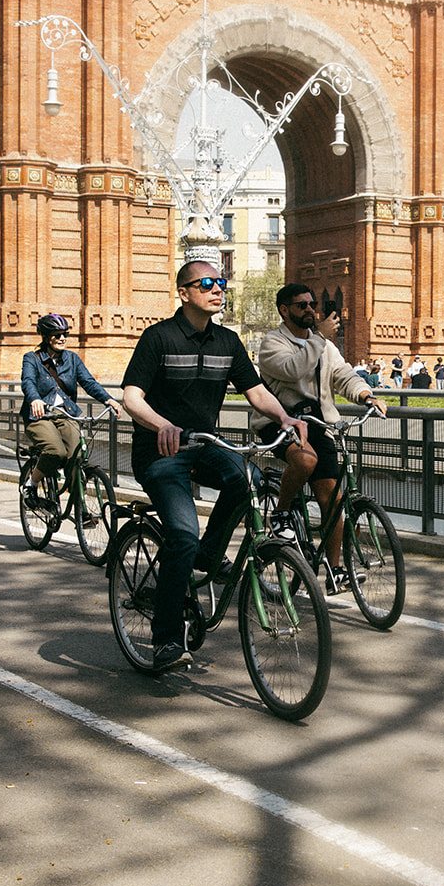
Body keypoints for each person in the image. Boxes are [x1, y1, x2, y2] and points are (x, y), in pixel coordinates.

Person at [121, 261, 306, 674]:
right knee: (182, 533)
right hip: (160, 451)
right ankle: (167, 638)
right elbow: (131, 398)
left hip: (205, 444)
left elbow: (256, 391)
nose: (217, 289)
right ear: (184, 293)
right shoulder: (158, 338)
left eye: (220, 283)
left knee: (248, 480)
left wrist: (285, 419)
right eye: (206, 284)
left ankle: (209, 554)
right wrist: (162, 424)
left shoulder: (227, 340)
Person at [251, 284, 387, 591]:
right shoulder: (273, 343)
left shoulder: (323, 344)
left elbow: (342, 374)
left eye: (313, 304)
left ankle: (335, 569)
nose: (311, 310)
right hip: (280, 419)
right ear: (285, 311)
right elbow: (293, 370)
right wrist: (321, 337)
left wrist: (366, 395)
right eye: (302, 305)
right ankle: (282, 512)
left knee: (333, 498)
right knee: (304, 459)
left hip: (317, 422)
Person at [19, 313, 123, 507]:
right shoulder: (31, 359)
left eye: (65, 334)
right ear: (46, 337)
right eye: (57, 334)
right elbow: (28, 382)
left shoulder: (72, 359)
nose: (62, 338)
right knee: (55, 451)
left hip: (66, 413)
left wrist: (108, 399)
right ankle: (31, 484)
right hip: (39, 415)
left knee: (77, 457)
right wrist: (34, 399)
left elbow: (88, 382)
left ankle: (80, 510)